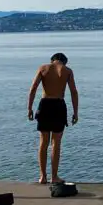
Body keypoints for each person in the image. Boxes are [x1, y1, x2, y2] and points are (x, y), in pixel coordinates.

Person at [27, 52, 78, 185]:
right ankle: (54, 177)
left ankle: (42, 176)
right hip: (58, 105)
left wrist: (29, 108)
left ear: (52, 60)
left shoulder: (43, 68)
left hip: (45, 104)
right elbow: (73, 92)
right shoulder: (67, 71)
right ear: (64, 61)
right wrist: (75, 112)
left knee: (43, 142)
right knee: (56, 143)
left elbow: (33, 89)